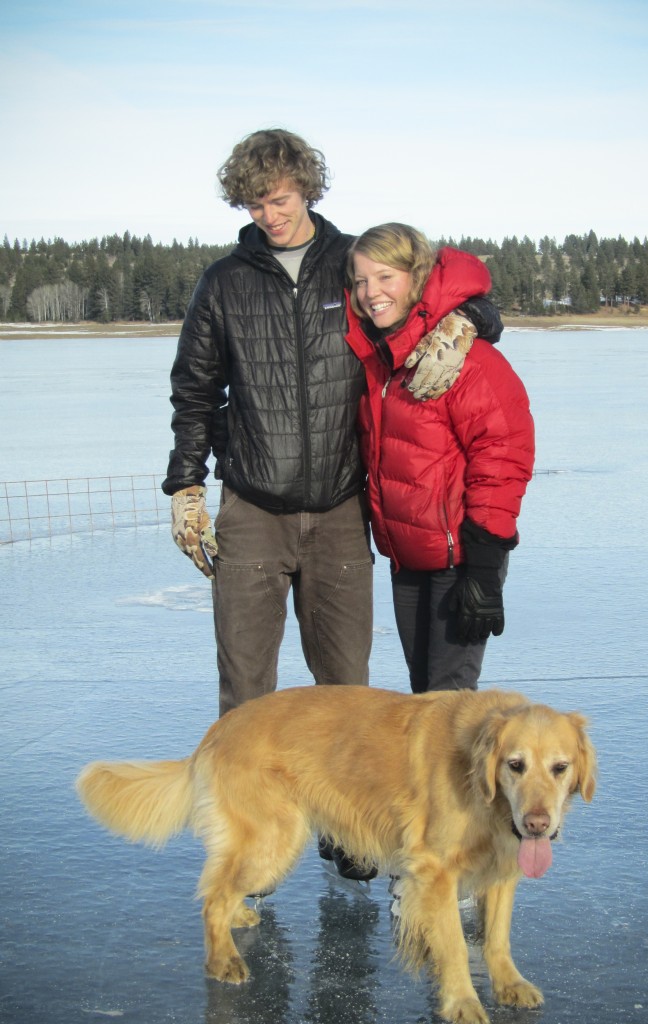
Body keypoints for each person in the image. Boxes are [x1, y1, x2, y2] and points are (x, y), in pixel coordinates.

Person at [161, 131, 501, 880]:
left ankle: (347, 828)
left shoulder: (352, 262)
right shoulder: (224, 282)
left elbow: (455, 288)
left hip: (343, 505)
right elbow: (194, 392)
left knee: (345, 683)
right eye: (253, 201)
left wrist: (469, 321)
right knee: (246, 682)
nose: (268, 212)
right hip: (252, 504)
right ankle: (246, 837)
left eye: (278, 197)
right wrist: (187, 484)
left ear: (307, 188)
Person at [345, 223, 535, 694]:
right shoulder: (381, 357)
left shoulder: (467, 360)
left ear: (417, 276)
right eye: (362, 281)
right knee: (424, 698)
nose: (372, 293)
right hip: (408, 558)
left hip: (461, 559)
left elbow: (503, 458)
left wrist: (485, 569)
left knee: (448, 706)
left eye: (386, 277)